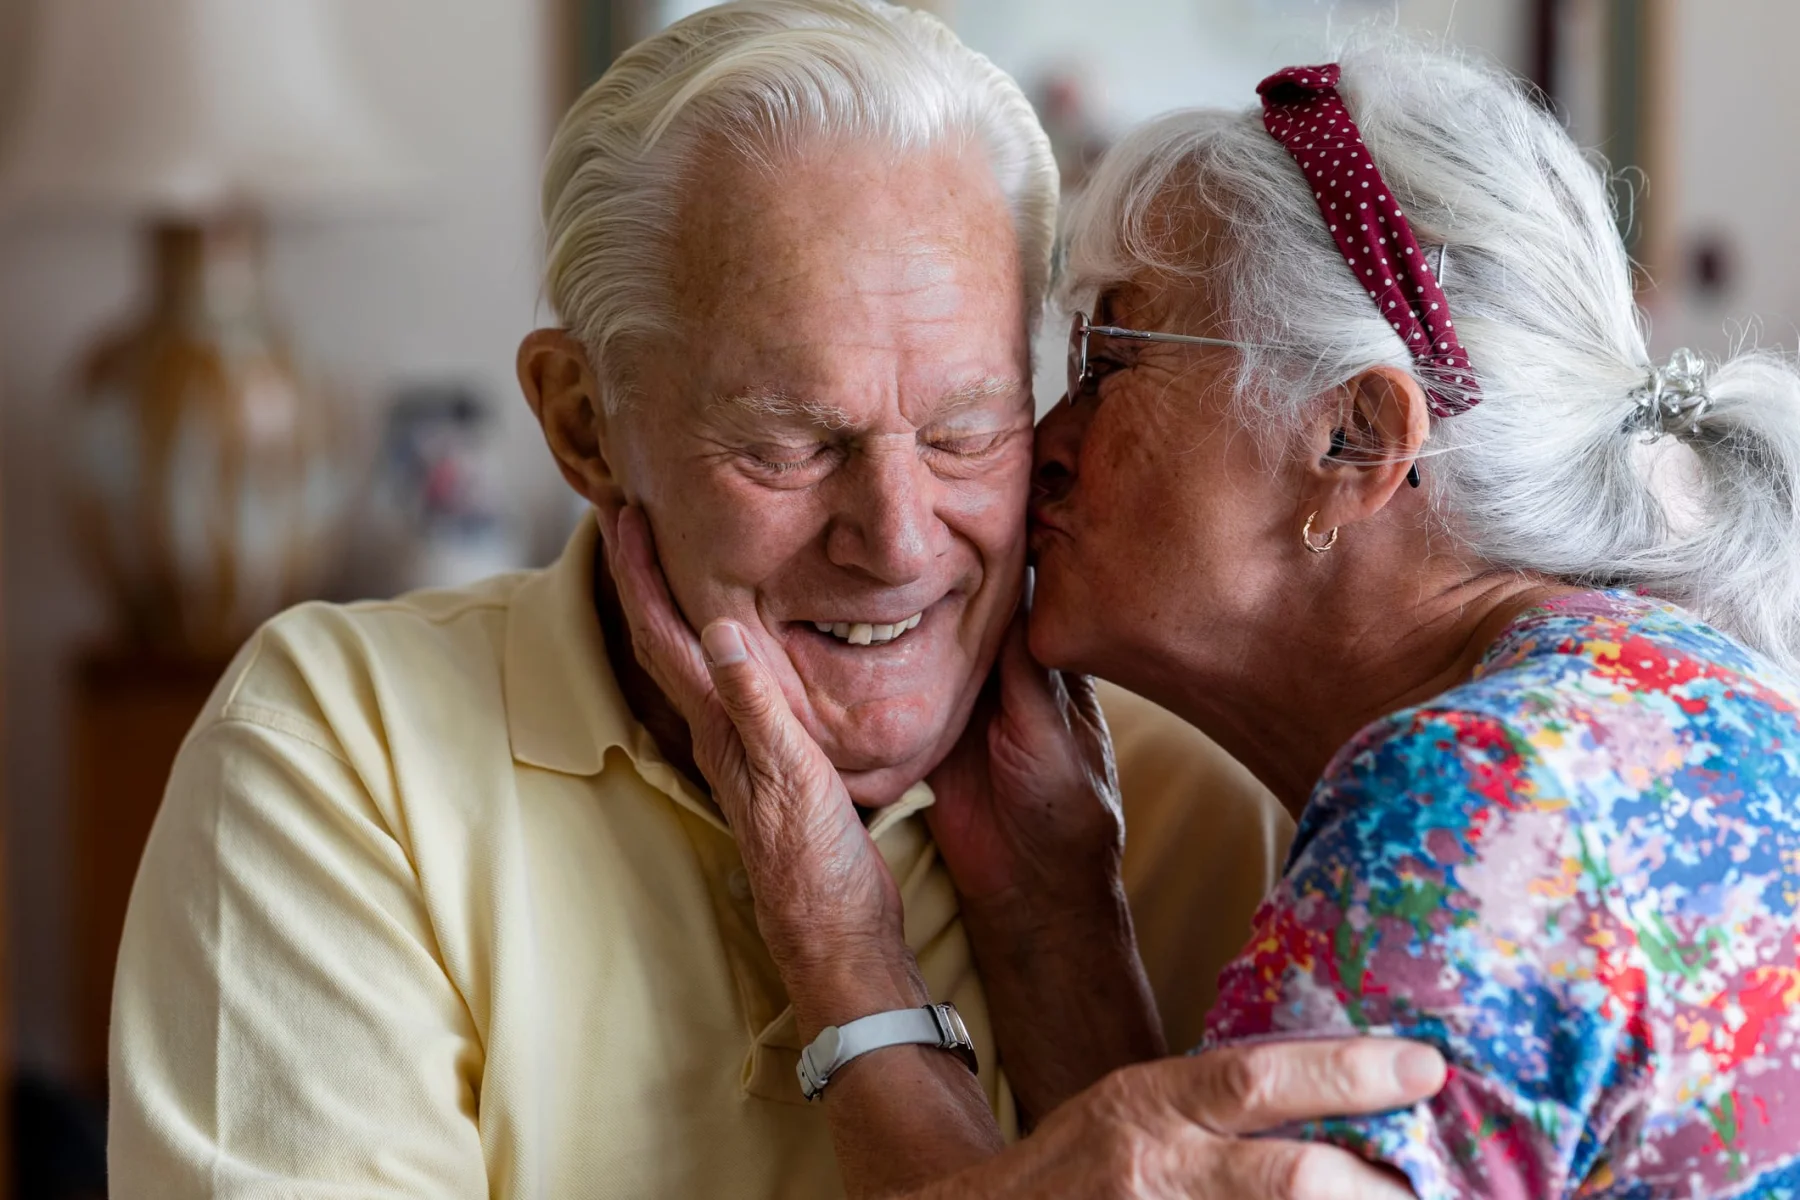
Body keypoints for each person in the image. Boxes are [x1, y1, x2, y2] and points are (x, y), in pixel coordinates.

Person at [108, 4, 1441, 1197]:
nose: (899, 539)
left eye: (968, 430)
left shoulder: (1212, 804)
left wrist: (1061, 943)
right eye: (790, 445)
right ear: (584, 426)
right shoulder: (343, 755)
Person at [613, 36, 1800, 1200]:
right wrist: (1051, 909)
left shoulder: (1476, 801)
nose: (1050, 445)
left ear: (1357, 439)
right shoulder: (1663, 704)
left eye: (1113, 356)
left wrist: (841, 948)